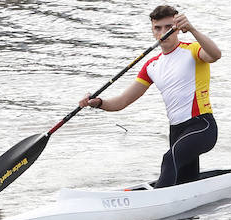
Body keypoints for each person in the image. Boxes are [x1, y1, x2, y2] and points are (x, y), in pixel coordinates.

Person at [78, 6, 222, 188]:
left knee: (169, 160)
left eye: (168, 27)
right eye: (158, 28)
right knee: (185, 183)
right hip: (176, 132)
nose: (163, 32)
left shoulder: (193, 51)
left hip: (202, 126)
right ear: (152, 31)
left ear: (177, 27)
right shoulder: (151, 66)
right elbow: (122, 101)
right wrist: (97, 102)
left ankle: (154, 203)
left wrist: (192, 29)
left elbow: (216, 55)